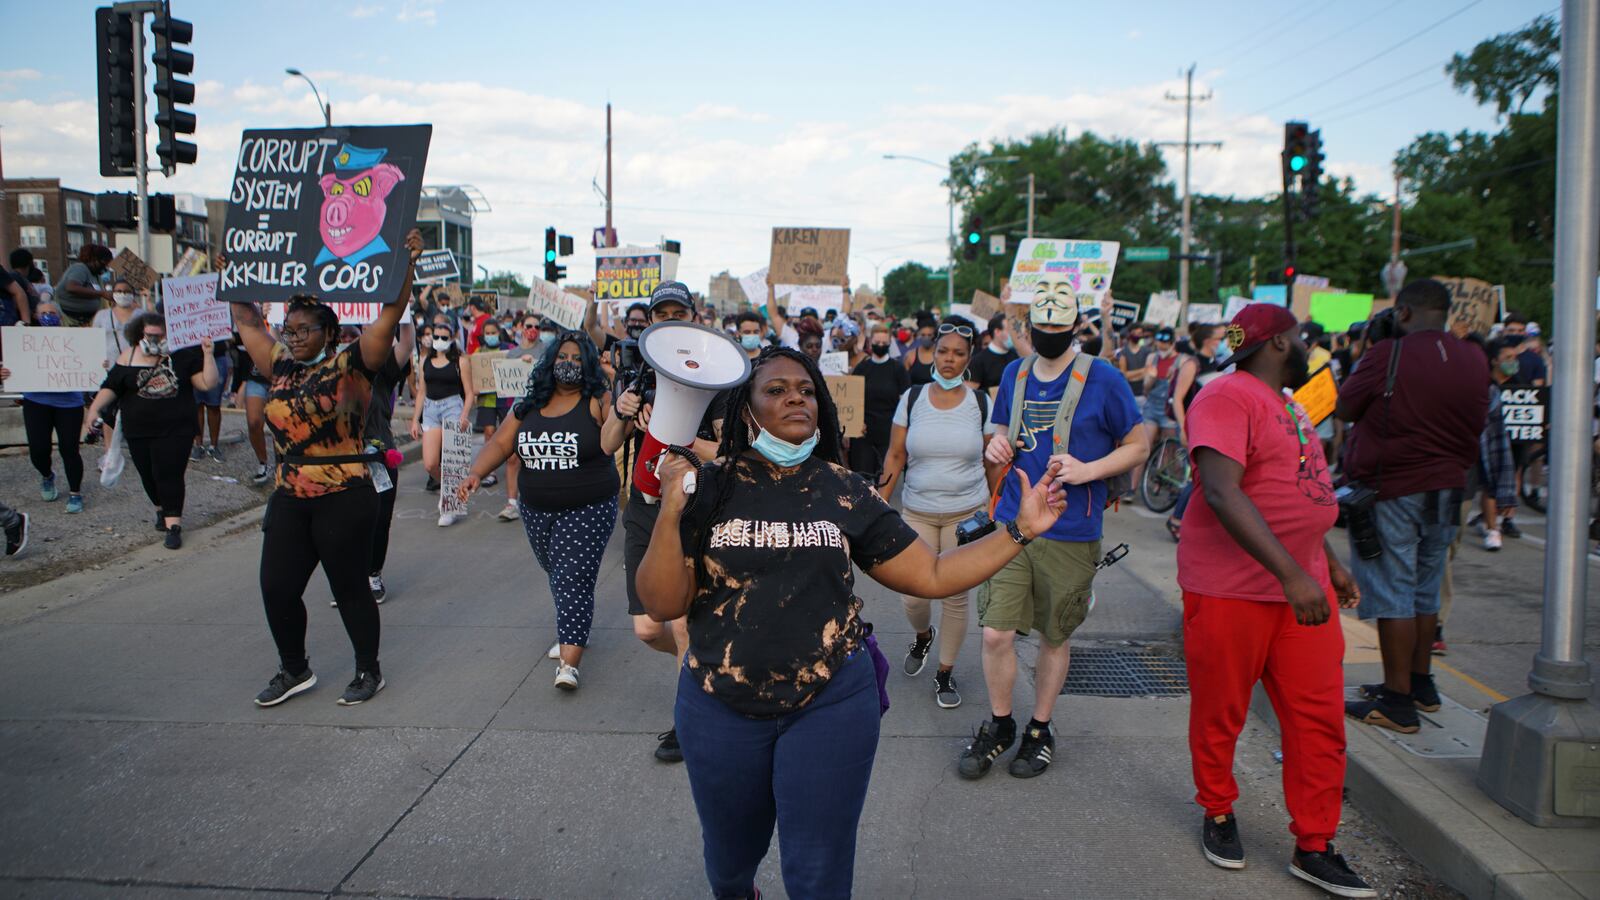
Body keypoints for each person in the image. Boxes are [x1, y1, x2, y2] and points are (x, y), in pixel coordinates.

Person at [638, 346, 1067, 900]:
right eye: (775, 389)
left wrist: (1020, 531)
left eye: (806, 389)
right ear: (746, 411)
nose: (795, 396)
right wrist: (671, 508)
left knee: (817, 874)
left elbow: (933, 574)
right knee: (728, 864)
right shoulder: (709, 485)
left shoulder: (844, 489)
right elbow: (663, 602)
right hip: (718, 707)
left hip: (830, 705)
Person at [1176, 303, 1376, 898]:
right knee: (1222, 711)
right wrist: (1293, 575)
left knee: (1317, 719)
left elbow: (1300, 492)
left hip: (1302, 590)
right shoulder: (1225, 397)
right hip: (1232, 591)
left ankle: (1314, 844)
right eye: (1302, 337)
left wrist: (1328, 564)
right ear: (1279, 344)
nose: (1310, 346)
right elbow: (1219, 489)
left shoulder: (1289, 403)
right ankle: (1217, 811)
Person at [222, 230, 419, 708]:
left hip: (344, 494)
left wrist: (407, 263)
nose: (290, 336)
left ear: (328, 332)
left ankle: (368, 670)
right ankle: (295, 668)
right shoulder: (280, 365)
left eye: (301, 330)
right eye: (288, 330)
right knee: (276, 586)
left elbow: (391, 314)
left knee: (350, 588)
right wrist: (236, 267)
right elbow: (247, 318)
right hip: (291, 493)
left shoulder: (355, 363)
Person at [961, 284, 1149, 780]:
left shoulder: (1103, 379)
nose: (1047, 338)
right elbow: (1000, 432)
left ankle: (1039, 730)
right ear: (1029, 329)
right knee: (996, 631)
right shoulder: (1014, 371)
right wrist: (995, 447)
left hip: (1071, 527)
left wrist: (1089, 470)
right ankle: (1001, 724)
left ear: (1074, 328)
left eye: (1056, 331)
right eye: (1039, 330)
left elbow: (1138, 445)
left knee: (1053, 633)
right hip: (1013, 521)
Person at [1339, 279, 1487, 734]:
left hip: (1394, 487)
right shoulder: (1474, 357)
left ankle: (1397, 701)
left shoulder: (1389, 354)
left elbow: (1345, 407)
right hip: (1449, 489)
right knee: (1424, 589)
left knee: (1392, 591)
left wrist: (1371, 348)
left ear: (1402, 313)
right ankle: (1421, 686)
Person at [458, 330, 621, 689]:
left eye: (578, 359)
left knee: (571, 578)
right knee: (559, 572)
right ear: (550, 361)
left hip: (589, 507)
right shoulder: (528, 404)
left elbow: (615, 430)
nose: (569, 364)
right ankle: (574, 623)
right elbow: (501, 443)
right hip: (536, 510)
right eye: (563, 357)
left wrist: (615, 386)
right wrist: (474, 473)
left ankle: (569, 663)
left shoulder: (598, 399)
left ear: (589, 365)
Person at [615, 281, 722, 762]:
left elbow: (732, 454)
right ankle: (705, 663)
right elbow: (603, 445)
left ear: (694, 319)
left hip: (691, 509)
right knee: (647, 627)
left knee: (679, 626)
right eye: (663, 314)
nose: (670, 319)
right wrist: (622, 415)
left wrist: (682, 442)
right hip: (644, 508)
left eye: (680, 312)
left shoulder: (719, 381)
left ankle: (688, 719)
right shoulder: (636, 377)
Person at [878, 322, 993, 709]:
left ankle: (945, 672)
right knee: (914, 594)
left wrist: (997, 507)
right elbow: (896, 455)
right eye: (944, 351)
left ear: (969, 358)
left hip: (967, 513)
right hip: (918, 511)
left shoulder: (981, 404)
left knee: (956, 597)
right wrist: (878, 504)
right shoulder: (912, 398)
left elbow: (994, 462)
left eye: (959, 353)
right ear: (933, 352)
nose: (949, 360)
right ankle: (924, 634)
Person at [82, 313, 217, 548]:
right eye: (150, 335)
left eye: (160, 335)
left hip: (177, 428)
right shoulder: (128, 357)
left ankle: (173, 524)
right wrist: (94, 409)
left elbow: (207, 383)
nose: (155, 339)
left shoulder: (183, 357)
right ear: (140, 335)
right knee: (148, 474)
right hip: (139, 430)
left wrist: (208, 354)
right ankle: (160, 508)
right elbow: (111, 386)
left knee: (170, 474)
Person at [4, 304, 88, 512]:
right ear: (35, 316)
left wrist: (97, 366)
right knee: (38, 450)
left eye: (52, 313)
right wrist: (7, 373)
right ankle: (47, 475)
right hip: (36, 401)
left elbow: (88, 361)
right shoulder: (26, 341)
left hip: (69, 403)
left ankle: (75, 493)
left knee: (70, 449)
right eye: (43, 313)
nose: (48, 316)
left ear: (59, 316)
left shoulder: (74, 340)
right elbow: (15, 365)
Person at [357, 319, 413, 606]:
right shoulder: (334, 372)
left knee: (380, 519)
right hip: (345, 461)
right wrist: (276, 323)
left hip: (380, 456)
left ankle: (372, 574)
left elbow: (406, 343)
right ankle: (352, 578)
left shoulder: (383, 373)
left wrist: (405, 315)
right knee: (347, 522)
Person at [1167, 323, 1227, 540]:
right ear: (1208, 340)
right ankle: (1176, 519)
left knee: (1203, 475)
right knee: (1198, 475)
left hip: (1211, 427)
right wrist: (1183, 428)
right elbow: (1178, 399)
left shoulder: (1218, 364)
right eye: (1220, 338)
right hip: (1194, 426)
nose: (1223, 343)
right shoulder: (1192, 364)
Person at [411, 320, 472, 522]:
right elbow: (421, 391)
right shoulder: (425, 360)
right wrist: (414, 420)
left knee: (451, 460)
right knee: (430, 463)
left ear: (452, 338)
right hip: (430, 409)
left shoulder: (460, 361)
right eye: (435, 336)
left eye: (443, 337)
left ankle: (450, 505)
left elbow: (470, 393)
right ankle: (451, 489)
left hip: (452, 407)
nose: (438, 340)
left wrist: (464, 415)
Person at [470, 317, 523, 522]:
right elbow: (474, 374)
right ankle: (490, 470)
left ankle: (512, 462)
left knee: (508, 435)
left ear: (498, 333)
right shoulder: (478, 354)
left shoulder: (510, 349)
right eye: (487, 333)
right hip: (487, 399)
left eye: (493, 332)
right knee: (490, 433)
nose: (490, 335)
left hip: (506, 398)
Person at [1475, 337, 1521, 552]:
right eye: (1508, 357)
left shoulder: (1518, 384)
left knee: (1504, 476)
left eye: (1515, 357)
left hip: (1514, 440)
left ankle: (1498, 521)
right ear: (1494, 361)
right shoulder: (1485, 386)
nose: (1513, 361)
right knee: (1489, 482)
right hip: (1488, 444)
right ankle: (1493, 528)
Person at [847, 324, 910, 480]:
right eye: (877, 342)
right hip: (864, 432)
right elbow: (852, 400)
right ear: (870, 342)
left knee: (884, 479)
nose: (880, 346)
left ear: (890, 343)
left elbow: (905, 403)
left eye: (884, 343)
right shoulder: (862, 368)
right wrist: (855, 423)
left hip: (889, 432)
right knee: (863, 479)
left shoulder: (898, 369)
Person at [233, 329, 274, 485]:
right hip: (256, 378)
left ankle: (285, 463)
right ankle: (263, 463)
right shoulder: (257, 319)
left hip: (283, 376)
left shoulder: (284, 316)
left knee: (282, 423)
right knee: (254, 422)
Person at [190, 330, 233, 463]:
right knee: (196, 405)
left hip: (217, 354)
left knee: (214, 405)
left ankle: (214, 445)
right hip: (193, 354)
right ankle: (198, 445)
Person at [52, 244, 114, 327]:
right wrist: (101, 293)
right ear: (94, 260)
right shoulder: (80, 268)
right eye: (104, 263)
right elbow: (72, 287)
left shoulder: (95, 276)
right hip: (70, 320)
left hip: (87, 321)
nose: (105, 268)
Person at [967, 313, 1017, 393]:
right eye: (1009, 330)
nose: (1014, 334)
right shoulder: (978, 361)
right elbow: (969, 393)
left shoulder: (1017, 357)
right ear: (997, 332)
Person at [4, 248, 37, 325]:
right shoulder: (15, 277)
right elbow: (16, 300)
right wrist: (32, 315)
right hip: (26, 322)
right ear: (29, 262)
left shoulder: (23, 278)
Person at [903, 319, 938, 386]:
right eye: (923, 335)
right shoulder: (910, 356)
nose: (926, 338)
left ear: (934, 336)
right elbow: (904, 381)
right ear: (919, 335)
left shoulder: (940, 355)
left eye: (929, 335)